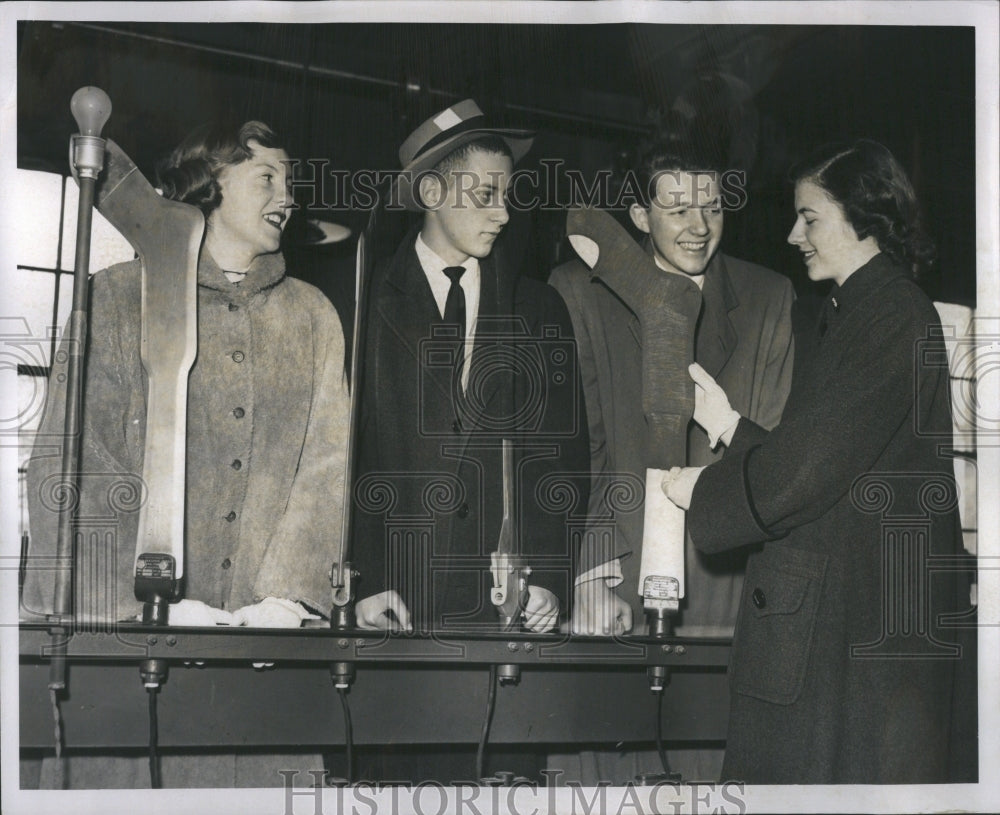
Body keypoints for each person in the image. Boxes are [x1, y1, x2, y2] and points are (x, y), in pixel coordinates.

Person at [22, 120, 350, 786]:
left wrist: (287, 599)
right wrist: (148, 600)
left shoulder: (312, 315)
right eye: (267, 176)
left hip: (266, 665)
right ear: (210, 184)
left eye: (290, 180)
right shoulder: (116, 297)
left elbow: (326, 464)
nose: (288, 194)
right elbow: (75, 459)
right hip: (129, 659)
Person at [662, 140, 974, 783]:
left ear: (864, 217)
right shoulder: (861, 311)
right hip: (844, 629)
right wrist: (731, 427)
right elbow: (830, 463)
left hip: (847, 639)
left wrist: (706, 490)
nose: (792, 234)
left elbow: (806, 472)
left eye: (809, 217)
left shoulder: (889, 313)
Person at [351, 99, 589, 638]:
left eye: (506, 196)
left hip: (505, 602)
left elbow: (561, 458)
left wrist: (549, 575)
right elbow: (346, 459)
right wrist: (362, 576)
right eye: (485, 196)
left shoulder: (538, 309)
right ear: (431, 194)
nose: (503, 214)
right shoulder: (362, 304)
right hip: (394, 601)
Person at [550, 136, 794, 640]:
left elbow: (774, 455)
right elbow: (582, 450)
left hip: (726, 584)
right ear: (640, 217)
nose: (699, 227)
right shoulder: (579, 293)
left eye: (712, 208)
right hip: (614, 580)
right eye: (678, 209)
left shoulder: (769, 299)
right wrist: (590, 574)